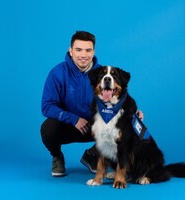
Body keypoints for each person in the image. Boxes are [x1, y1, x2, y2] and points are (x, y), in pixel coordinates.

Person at [40, 31, 144, 177]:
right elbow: (47, 106)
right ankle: (57, 157)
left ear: (93, 51)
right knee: (48, 129)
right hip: (69, 124)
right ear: (71, 51)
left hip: (97, 125)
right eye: (78, 49)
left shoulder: (103, 73)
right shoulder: (57, 73)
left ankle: (92, 155)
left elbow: (120, 96)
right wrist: (73, 119)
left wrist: (132, 112)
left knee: (127, 128)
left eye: (88, 50)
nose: (83, 55)